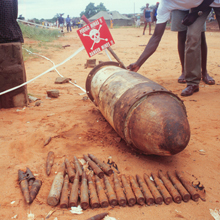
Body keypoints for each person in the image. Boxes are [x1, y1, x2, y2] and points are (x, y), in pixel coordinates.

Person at [127, 0, 218, 97]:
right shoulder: (165, 4)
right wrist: (138, 63)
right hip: (197, 7)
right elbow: (156, 37)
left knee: (200, 36)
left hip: (207, 4)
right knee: (192, 36)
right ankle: (192, 81)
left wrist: (196, 13)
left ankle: (204, 72)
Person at [171, 9, 215, 85]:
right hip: (179, 5)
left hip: (197, 6)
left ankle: (204, 72)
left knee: (201, 35)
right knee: (181, 36)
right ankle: (184, 71)